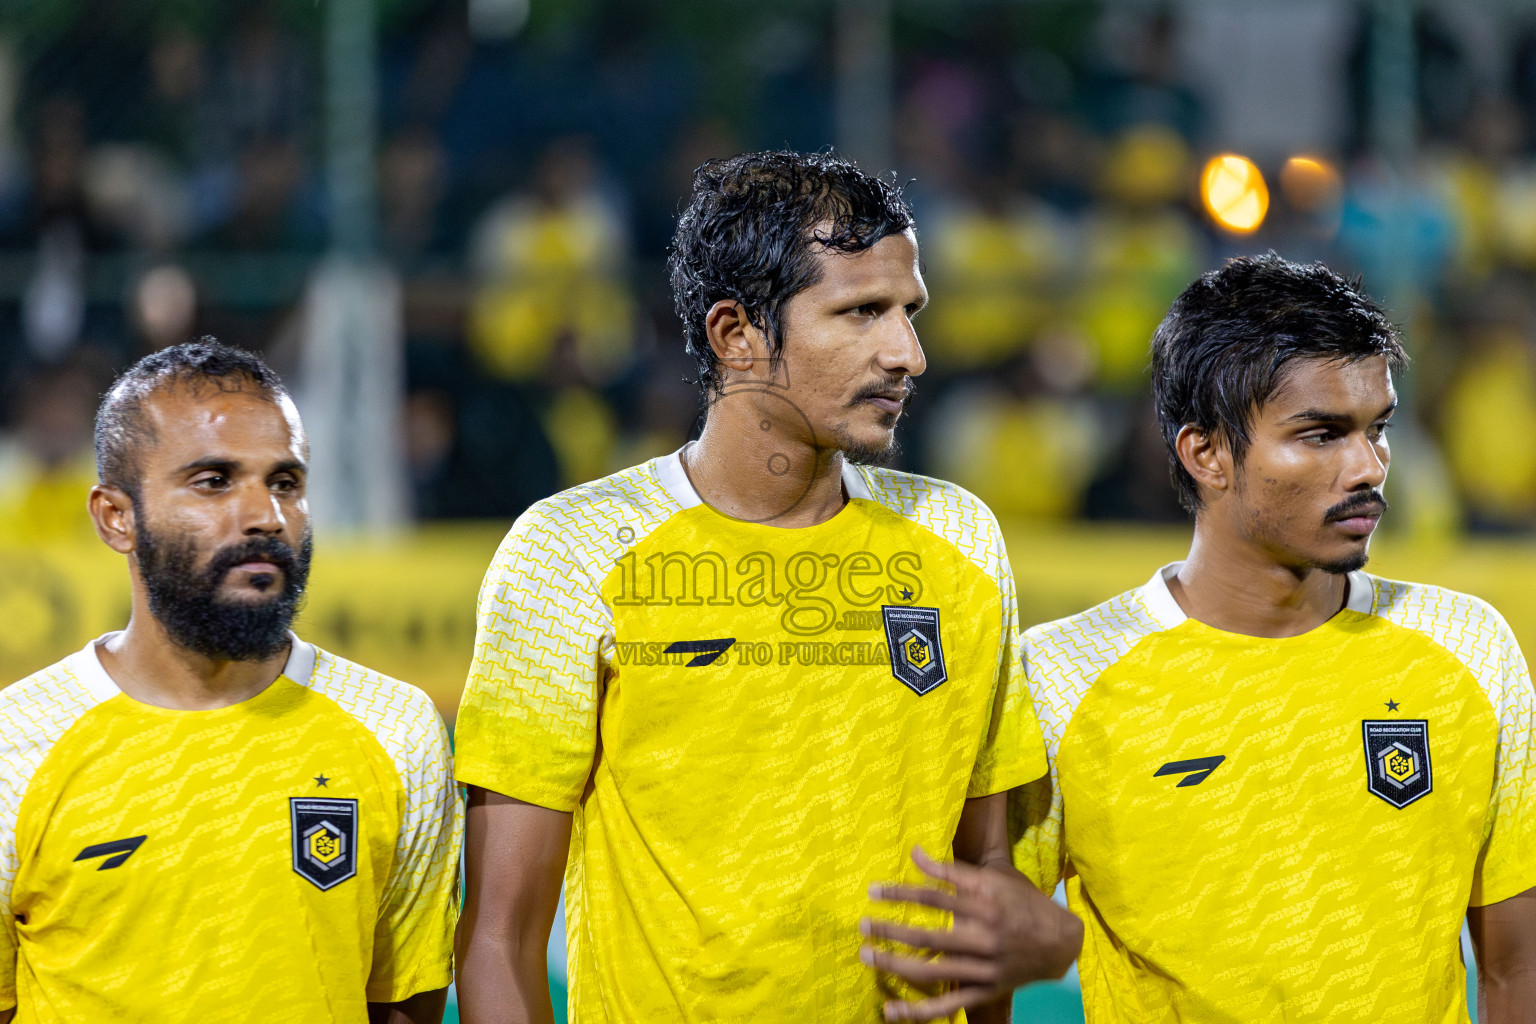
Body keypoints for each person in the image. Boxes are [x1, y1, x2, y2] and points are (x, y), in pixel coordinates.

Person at [454, 150, 1081, 1024]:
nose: (909, 354)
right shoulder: (570, 555)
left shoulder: (957, 538)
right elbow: (498, 941)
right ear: (736, 334)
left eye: (909, 312)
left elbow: (983, 882)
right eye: (862, 311)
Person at [1012, 255, 1536, 1021]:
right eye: (1321, 434)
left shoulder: (1468, 645)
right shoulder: (1061, 675)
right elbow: (976, 953)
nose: (1368, 467)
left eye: (1377, 429)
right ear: (1207, 454)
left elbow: (1515, 963)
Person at [0, 340, 461, 1022]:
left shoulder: (395, 728)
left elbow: (404, 1004)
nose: (265, 517)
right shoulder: (18, 743)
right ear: (115, 517)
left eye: (285, 482)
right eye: (214, 481)